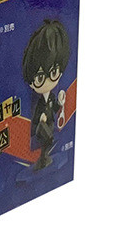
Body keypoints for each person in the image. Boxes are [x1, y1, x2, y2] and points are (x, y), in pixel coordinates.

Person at [22, 20, 70, 170]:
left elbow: (54, 108)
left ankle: (44, 159)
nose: (48, 81)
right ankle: (42, 160)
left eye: (54, 73)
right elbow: (35, 115)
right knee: (46, 140)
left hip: (49, 125)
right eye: (40, 77)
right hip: (40, 128)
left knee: (48, 142)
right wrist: (40, 118)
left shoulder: (50, 96)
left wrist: (60, 103)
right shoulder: (36, 100)